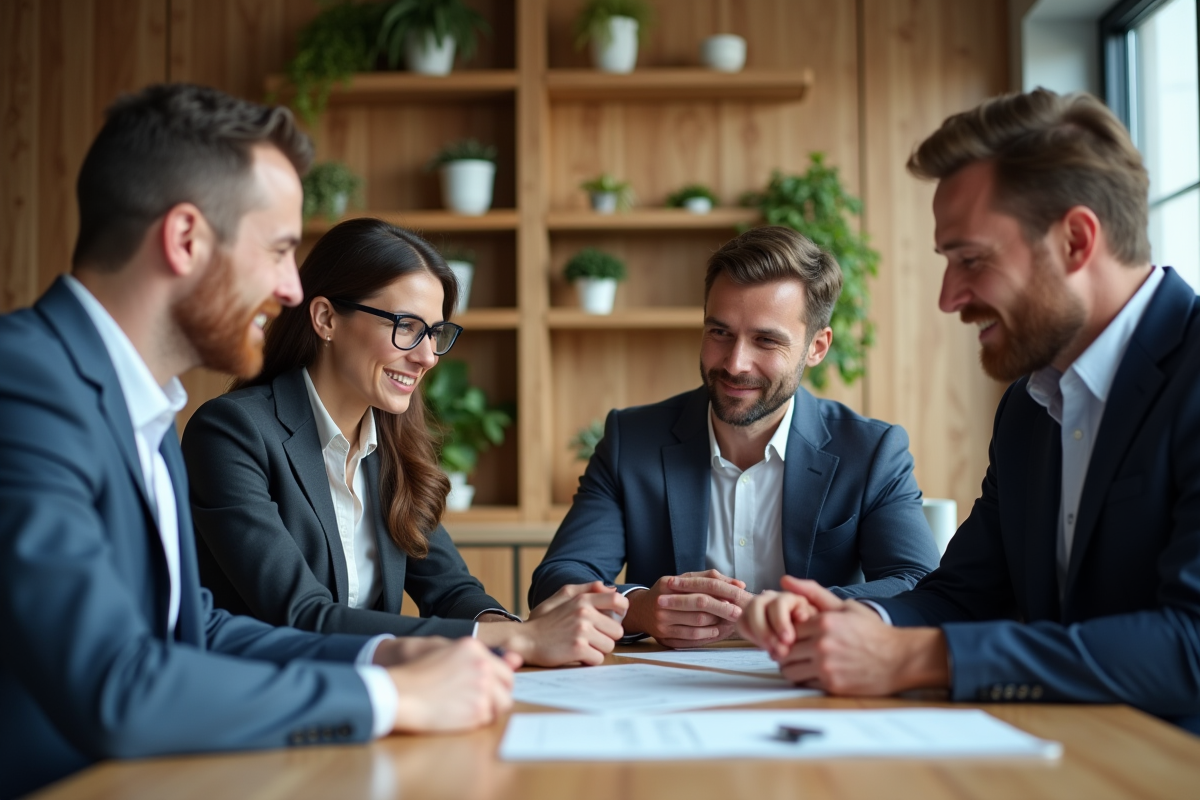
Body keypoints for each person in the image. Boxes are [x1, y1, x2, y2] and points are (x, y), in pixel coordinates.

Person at [0, 84, 518, 799]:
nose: (289, 289)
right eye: (278, 251)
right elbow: (115, 682)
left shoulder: (145, 413)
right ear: (185, 239)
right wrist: (393, 700)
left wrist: (390, 652)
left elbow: (198, 632)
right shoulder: (22, 381)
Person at [736, 89, 1200, 735]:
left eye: (971, 260)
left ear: (1075, 240)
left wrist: (922, 657)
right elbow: (966, 592)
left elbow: (1191, 644)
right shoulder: (1029, 407)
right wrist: (857, 623)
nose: (950, 297)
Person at [181, 217, 627, 666]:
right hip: (271, 702)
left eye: (434, 333)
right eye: (407, 326)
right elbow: (300, 616)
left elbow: (451, 590)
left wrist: (512, 629)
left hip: (381, 694)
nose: (428, 356)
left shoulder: (392, 444)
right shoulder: (231, 433)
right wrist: (520, 641)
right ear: (326, 318)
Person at [530, 226, 941, 648]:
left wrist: (794, 610)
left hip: (811, 685)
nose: (735, 362)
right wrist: (639, 609)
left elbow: (920, 585)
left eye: (765, 340)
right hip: (666, 691)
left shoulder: (871, 452)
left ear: (816, 347)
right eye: (720, 332)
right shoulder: (631, 440)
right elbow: (557, 580)